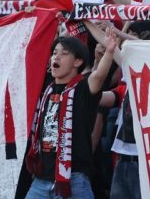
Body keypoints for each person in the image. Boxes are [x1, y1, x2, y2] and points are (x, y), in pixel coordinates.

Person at [24, 33, 115, 199]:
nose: (56, 57)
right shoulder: (47, 89)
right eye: (54, 53)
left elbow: (99, 75)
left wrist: (109, 52)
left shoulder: (83, 89)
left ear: (78, 62)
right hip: (41, 179)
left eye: (64, 53)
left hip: (73, 181)